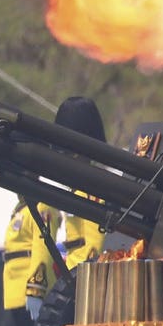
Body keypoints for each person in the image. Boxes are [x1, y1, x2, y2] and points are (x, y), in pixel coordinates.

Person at [3, 194, 60, 326]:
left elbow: (43, 248)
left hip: (29, 287)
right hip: (15, 290)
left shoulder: (41, 207)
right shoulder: (22, 208)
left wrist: (36, 288)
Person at [55, 96, 107, 268]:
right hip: (74, 268)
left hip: (85, 274)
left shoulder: (93, 190)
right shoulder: (78, 188)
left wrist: (84, 277)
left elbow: (95, 244)